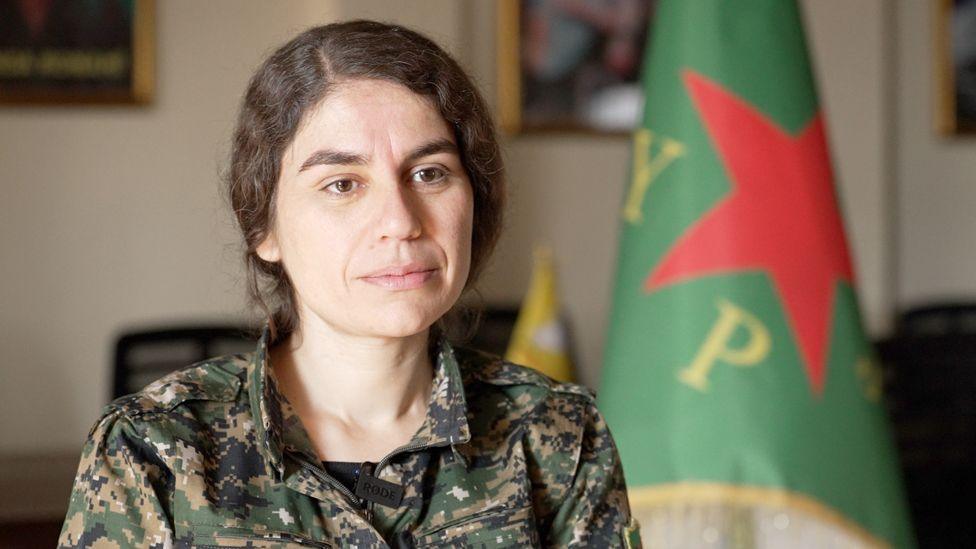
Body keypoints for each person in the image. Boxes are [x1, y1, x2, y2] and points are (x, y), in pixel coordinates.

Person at [57, 20, 642, 548]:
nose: (401, 221)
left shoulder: (557, 436)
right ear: (265, 227)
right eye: (342, 184)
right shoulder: (152, 449)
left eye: (429, 173)